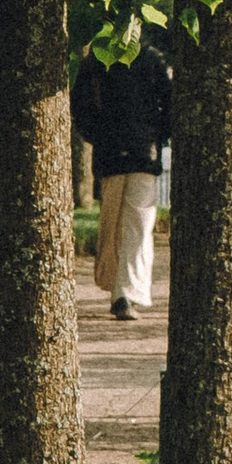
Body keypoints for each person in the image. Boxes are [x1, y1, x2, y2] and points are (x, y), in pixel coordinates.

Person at [71, 38, 175, 322]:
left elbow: (80, 108)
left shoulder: (99, 57)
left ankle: (123, 293)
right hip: (136, 151)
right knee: (125, 223)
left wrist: (100, 136)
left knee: (129, 223)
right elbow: (169, 106)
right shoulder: (150, 60)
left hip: (122, 152)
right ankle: (122, 289)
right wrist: (158, 136)